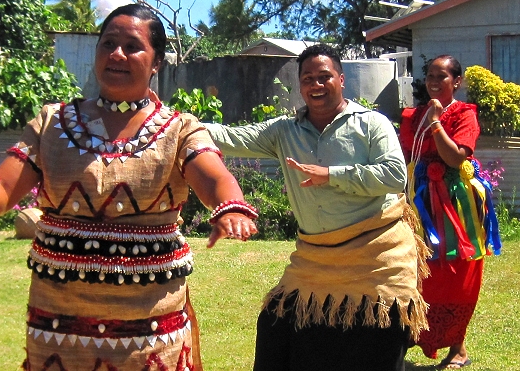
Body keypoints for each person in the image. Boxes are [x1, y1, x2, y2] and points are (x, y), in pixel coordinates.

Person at [0, 3, 258, 371]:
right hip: (59, 322)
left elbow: (214, 176)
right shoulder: (51, 121)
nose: (117, 54)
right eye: (108, 44)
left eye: (133, 46)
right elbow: (7, 184)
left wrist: (231, 206)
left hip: (150, 328)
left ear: (156, 63)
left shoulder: (179, 128)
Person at [206, 43, 430, 371]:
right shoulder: (283, 131)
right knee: (275, 329)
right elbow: (228, 137)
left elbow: (394, 176)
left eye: (324, 76)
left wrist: (331, 176)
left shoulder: (372, 124)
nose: (316, 84)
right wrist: (172, 122)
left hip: (377, 258)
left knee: (376, 349)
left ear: (342, 80)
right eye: (308, 78)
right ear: (300, 86)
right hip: (315, 261)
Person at [399, 54, 501, 369]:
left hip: (455, 204)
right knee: (411, 268)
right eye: (429, 74)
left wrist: (435, 123)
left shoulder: (465, 114)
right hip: (418, 200)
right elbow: (404, 156)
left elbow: (455, 158)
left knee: (455, 269)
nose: (432, 80)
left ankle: (458, 347)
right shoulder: (410, 116)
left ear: (456, 81)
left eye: (441, 76)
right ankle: (401, 341)